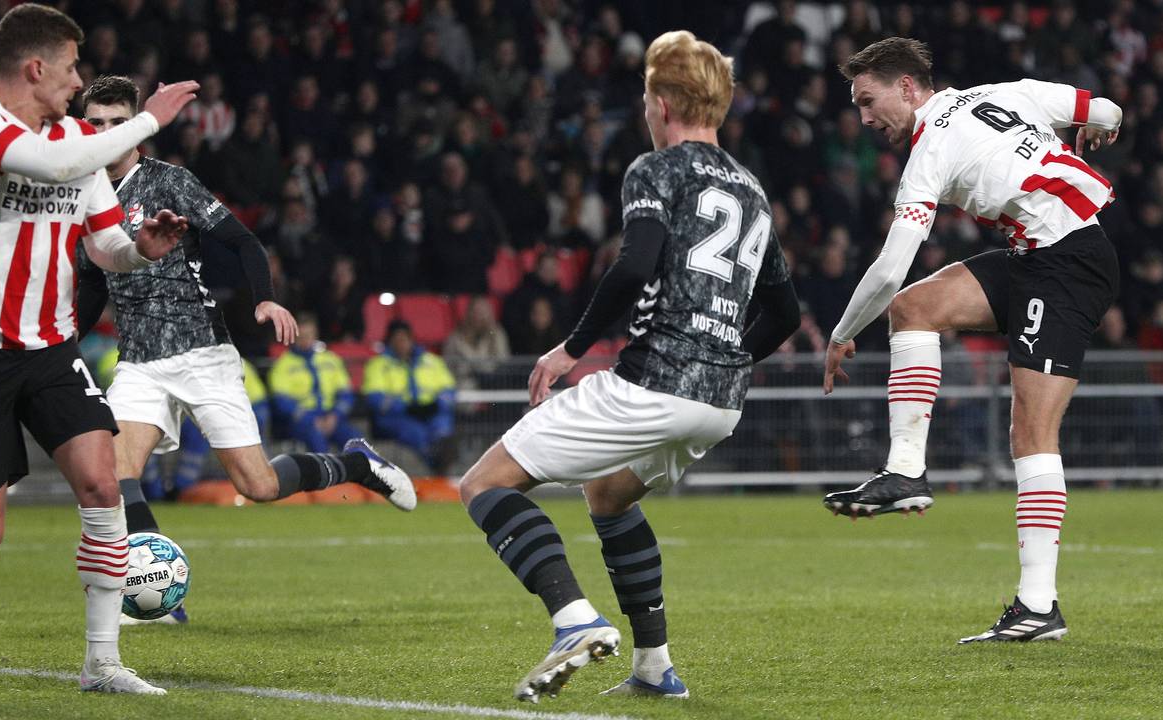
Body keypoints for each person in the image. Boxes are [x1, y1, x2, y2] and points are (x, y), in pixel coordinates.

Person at [456, 31, 800, 703]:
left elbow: (634, 264)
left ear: (665, 103)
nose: (644, 109)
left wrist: (571, 349)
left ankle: (572, 620)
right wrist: (724, 362)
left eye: (646, 96)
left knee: (483, 483)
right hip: (720, 400)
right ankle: (653, 668)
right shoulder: (753, 189)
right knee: (610, 496)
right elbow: (784, 313)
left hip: (656, 379)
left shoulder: (656, 169)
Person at [76, 76, 416, 625]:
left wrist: (264, 301)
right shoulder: (84, 194)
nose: (107, 133)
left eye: (118, 122)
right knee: (114, 476)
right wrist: (65, 343)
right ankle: (161, 597)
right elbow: (94, 283)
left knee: (256, 485)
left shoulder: (169, 182)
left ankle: (354, 463)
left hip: (201, 353)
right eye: (96, 124)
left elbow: (242, 240)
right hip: (139, 360)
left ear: (137, 128)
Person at [820, 38, 1122, 643]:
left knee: (1031, 432)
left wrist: (841, 333)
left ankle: (1039, 605)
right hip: (1036, 254)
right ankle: (906, 470)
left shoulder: (931, 146)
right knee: (914, 309)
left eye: (868, 100)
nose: (864, 117)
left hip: (1068, 263)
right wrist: (1098, 131)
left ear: (908, 88)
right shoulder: (1006, 93)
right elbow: (1107, 110)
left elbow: (888, 266)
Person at [0, 3, 200, 695]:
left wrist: (141, 250)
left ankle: (102, 662)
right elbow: (49, 162)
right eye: (69, 68)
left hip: (52, 349)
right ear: (35, 67)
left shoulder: (75, 143)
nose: (76, 81)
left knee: (100, 482)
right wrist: (149, 119)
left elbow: (105, 247)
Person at [363, 320, 457, 471]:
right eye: (397, 340)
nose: (402, 344)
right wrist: (405, 407)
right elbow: (375, 399)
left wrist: (435, 405)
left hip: (429, 412)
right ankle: (438, 468)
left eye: (405, 339)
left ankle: (440, 462)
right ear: (390, 341)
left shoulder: (432, 361)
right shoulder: (379, 364)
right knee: (416, 433)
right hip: (395, 416)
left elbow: (449, 390)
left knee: (442, 427)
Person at [268, 312, 366, 454]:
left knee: (357, 442)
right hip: (302, 421)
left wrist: (335, 415)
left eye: (309, 336)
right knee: (318, 441)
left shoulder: (331, 359)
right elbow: (281, 402)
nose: (305, 340)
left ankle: (358, 475)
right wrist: (311, 419)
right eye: (301, 337)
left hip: (331, 415)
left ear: (315, 335)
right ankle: (328, 476)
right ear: (293, 337)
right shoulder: (283, 365)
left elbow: (346, 393)